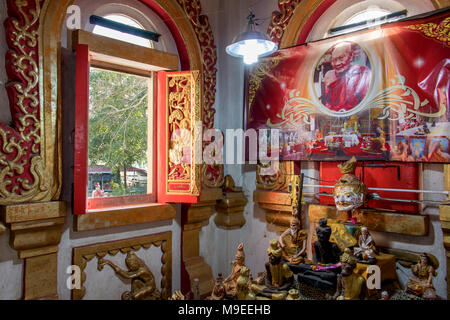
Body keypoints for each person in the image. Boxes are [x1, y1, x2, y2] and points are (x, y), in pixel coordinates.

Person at [322, 42, 372, 112]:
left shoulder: (362, 72)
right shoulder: (329, 76)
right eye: (334, 60)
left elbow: (366, 102)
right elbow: (327, 103)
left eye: (341, 58)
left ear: (351, 56)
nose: (337, 63)